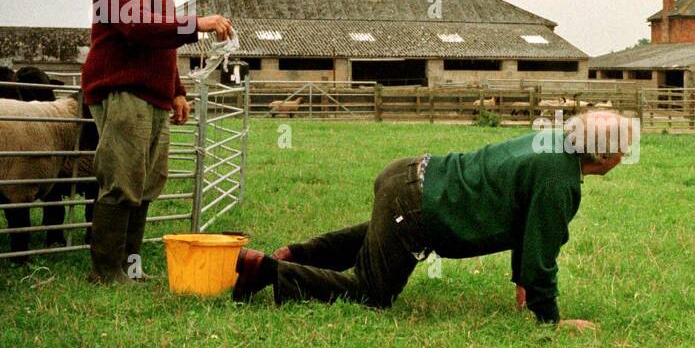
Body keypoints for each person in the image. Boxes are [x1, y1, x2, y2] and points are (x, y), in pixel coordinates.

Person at [231, 110, 640, 330]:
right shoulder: (559, 181)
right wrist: (550, 318)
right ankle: (270, 271)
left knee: (379, 236)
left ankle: (293, 254)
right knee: (373, 294)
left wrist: (523, 289)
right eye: (624, 149)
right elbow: (540, 251)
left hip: (410, 175)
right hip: (417, 204)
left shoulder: (553, 143)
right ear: (603, 155)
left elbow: (526, 229)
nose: (626, 157)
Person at [82, 0, 233, 283]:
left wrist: (177, 89)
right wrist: (197, 23)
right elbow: (134, 26)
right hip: (123, 89)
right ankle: (106, 272)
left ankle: (131, 268)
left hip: (150, 93)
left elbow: (160, 40)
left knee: (146, 183)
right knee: (122, 181)